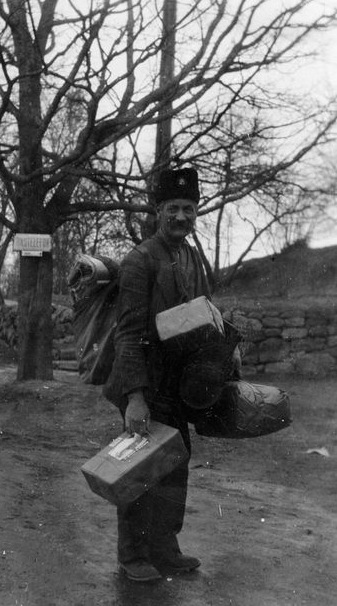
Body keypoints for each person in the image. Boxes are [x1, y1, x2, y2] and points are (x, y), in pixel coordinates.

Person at [103, 167, 213, 582]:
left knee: (175, 466)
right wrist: (135, 397)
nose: (181, 217)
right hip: (144, 384)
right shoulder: (140, 260)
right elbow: (128, 334)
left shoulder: (190, 255)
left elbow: (201, 310)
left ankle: (166, 549)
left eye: (188, 208)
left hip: (177, 385)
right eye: (173, 208)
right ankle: (132, 555)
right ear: (158, 210)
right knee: (139, 470)